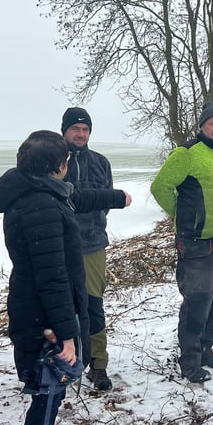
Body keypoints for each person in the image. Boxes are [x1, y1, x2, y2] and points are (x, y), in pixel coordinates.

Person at [0, 130, 129, 425]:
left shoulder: (41, 193)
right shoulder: (41, 207)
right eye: (66, 160)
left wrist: (117, 197)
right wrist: (67, 334)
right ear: (58, 166)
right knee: (48, 393)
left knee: (52, 393)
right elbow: (52, 278)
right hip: (43, 318)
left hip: (41, 311)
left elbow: (80, 197)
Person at [150, 102, 213, 384]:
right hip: (197, 241)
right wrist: (183, 215)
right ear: (202, 127)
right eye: (212, 123)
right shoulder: (187, 153)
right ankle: (189, 359)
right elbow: (160, 187)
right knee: (198, 300)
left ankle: (205, 350)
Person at [61, 107, 131, 391]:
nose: (80, 134)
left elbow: (105, 202)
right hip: (59, 246)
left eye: (85, 129)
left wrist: (94, 223)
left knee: (93, 304)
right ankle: (62, 363)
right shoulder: (55, 161)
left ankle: (98, 364)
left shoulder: (101, 162)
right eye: (75, 129)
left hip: (92, 244)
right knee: (60, 305)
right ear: (64, 131)